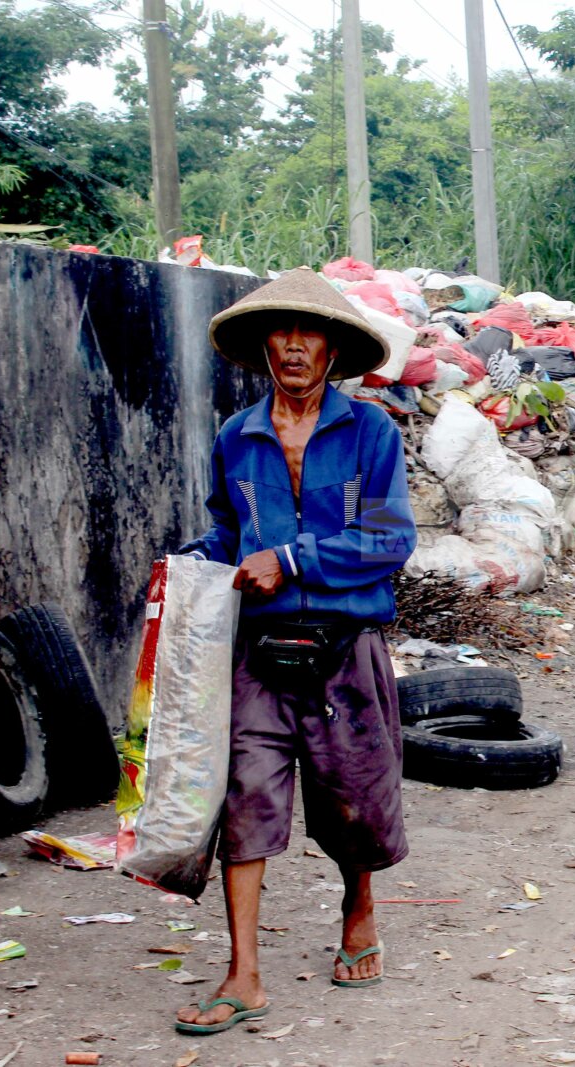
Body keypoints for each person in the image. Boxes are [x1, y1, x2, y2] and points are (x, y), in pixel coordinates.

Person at [173, 267, 417, 1036]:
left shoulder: (372, 433)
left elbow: (390, 539)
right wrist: (190, 565)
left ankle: (359, 905)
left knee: (354, 799)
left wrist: (292, 558)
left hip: (346, 645)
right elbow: (229, 532)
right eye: (281, 331)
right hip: (260, 649)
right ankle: (243, 973)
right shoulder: (236, 437)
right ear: (263, 347)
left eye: (309, 331)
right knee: (244, 795)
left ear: (333, 348)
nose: (294, 345)